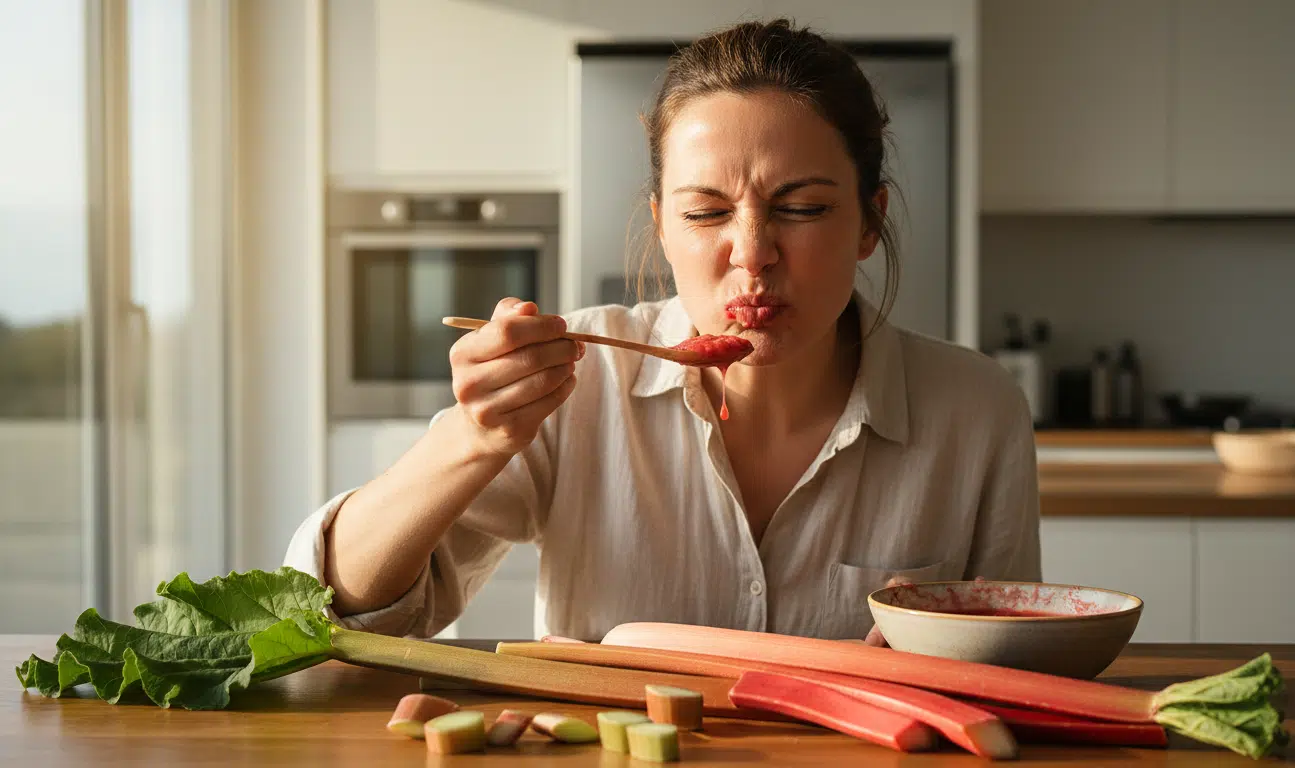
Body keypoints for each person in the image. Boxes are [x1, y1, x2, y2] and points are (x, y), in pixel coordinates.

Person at [284, 18, 1041, 644]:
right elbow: (331, 612)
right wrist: (472, 440)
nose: (752, 252)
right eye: (706, 212)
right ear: (661, 226)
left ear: (870, 221)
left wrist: (947, 654)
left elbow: (1017, 670)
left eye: (802, 208)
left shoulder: (975, 412)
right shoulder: (578, 380)